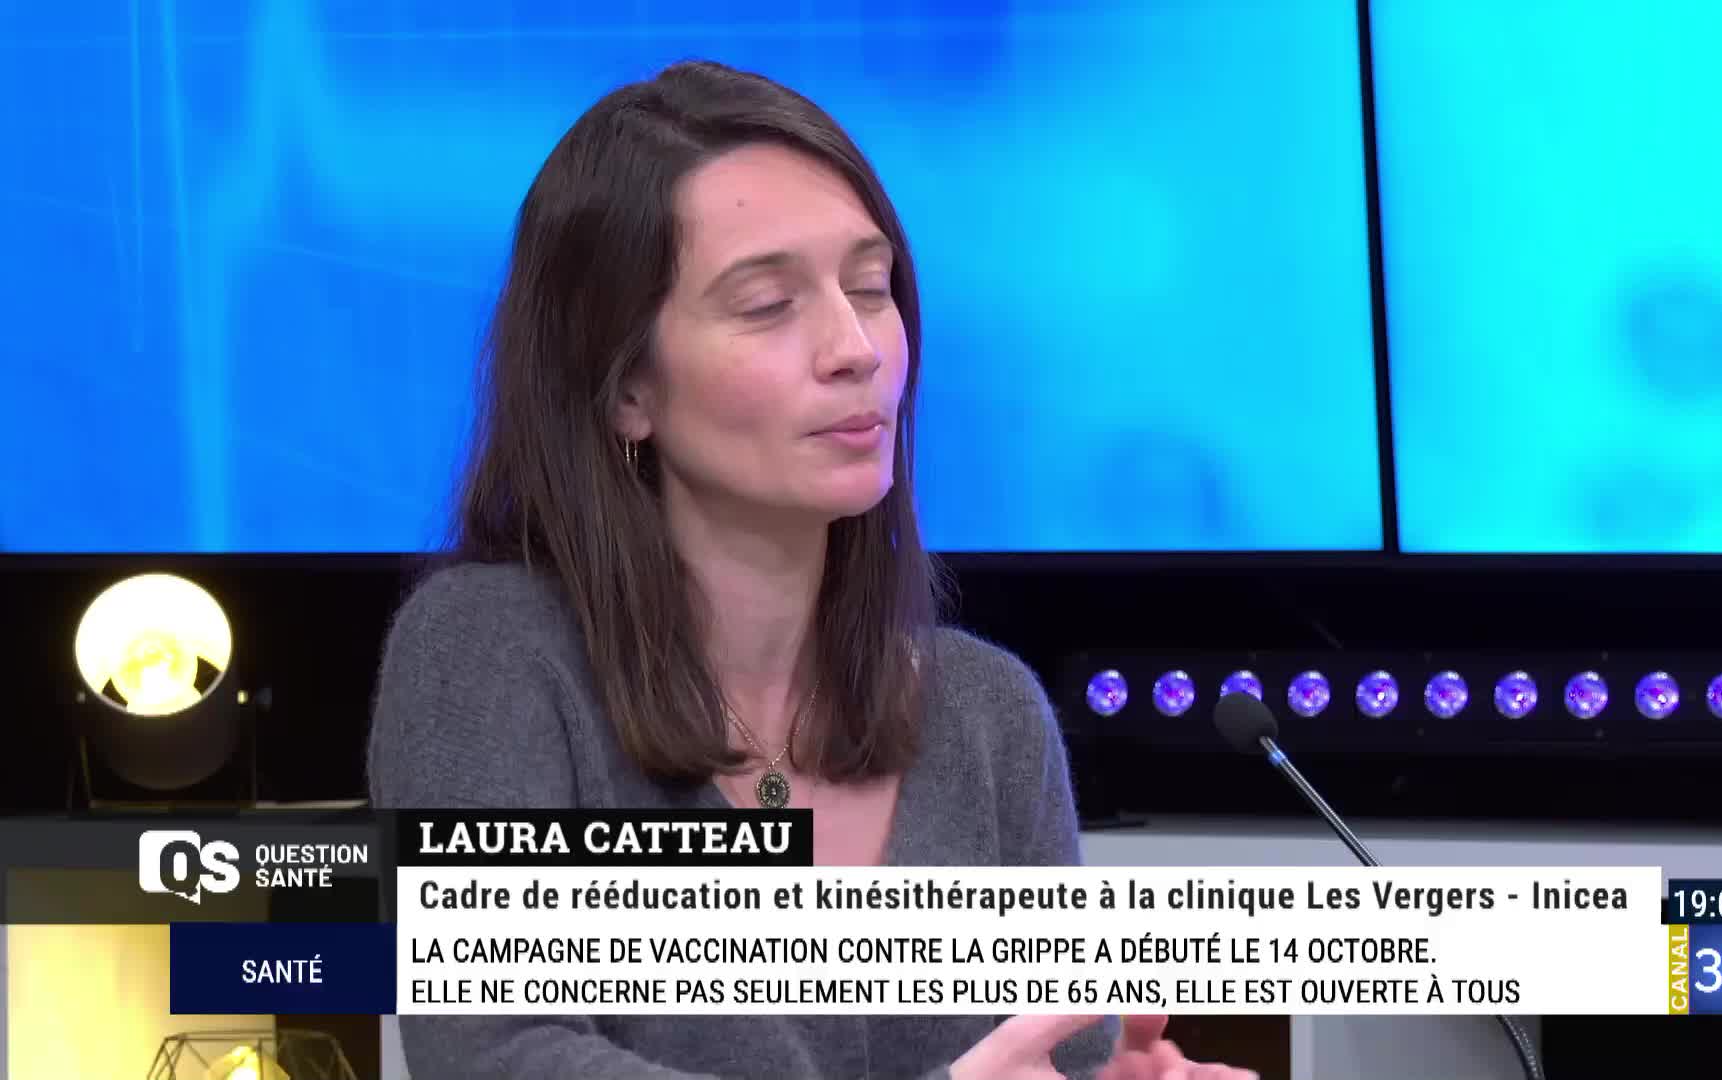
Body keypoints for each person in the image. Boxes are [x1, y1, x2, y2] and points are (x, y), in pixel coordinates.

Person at [367, 60, 1256, 1080]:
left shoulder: (985, 713)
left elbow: (1055, 1054)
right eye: (767, 304)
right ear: (624, 392)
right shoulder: (489, 654)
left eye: (871, 289)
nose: (855, 348)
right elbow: (499, 1057)